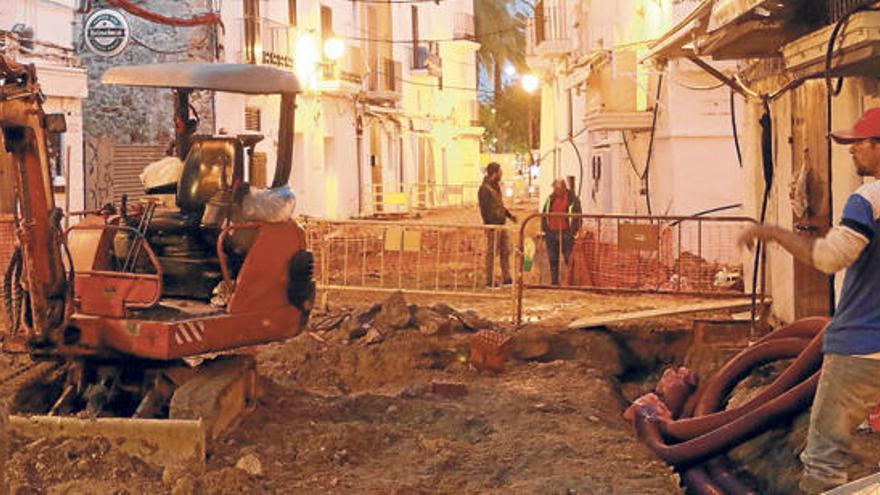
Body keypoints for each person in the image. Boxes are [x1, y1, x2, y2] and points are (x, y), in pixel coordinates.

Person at [738, 107, 880, 494]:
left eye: (858, 144)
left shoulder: (868, 199)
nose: (851, 152)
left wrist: (772, 232)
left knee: (824, 460)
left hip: (862, 348)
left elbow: (830, 258)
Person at [478, 162, 517, 287]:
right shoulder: (485, 189)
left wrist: (509, 216)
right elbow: (485, 209)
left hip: (501, 224)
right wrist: (491, 224)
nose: (502, 174)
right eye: (500, 172)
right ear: (494, 173)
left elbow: (499, 206)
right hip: (493, 226)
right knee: (491, 253)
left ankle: (507, 278)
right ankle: (489, 280)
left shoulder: (495, 187)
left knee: (505, 251)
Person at [541, 179, 582, 285]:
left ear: (563, 188)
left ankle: (570, 282)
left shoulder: (572, 200)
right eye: (554, 188)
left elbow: (578, 216)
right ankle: (554, 282)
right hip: (551, 232)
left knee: (569, 258)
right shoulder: (550, 199)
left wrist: (574, 231)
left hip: (566, 233)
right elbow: (544, 213)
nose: (554, 190)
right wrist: (544, 229)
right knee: (553, 258)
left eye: (557, 188)